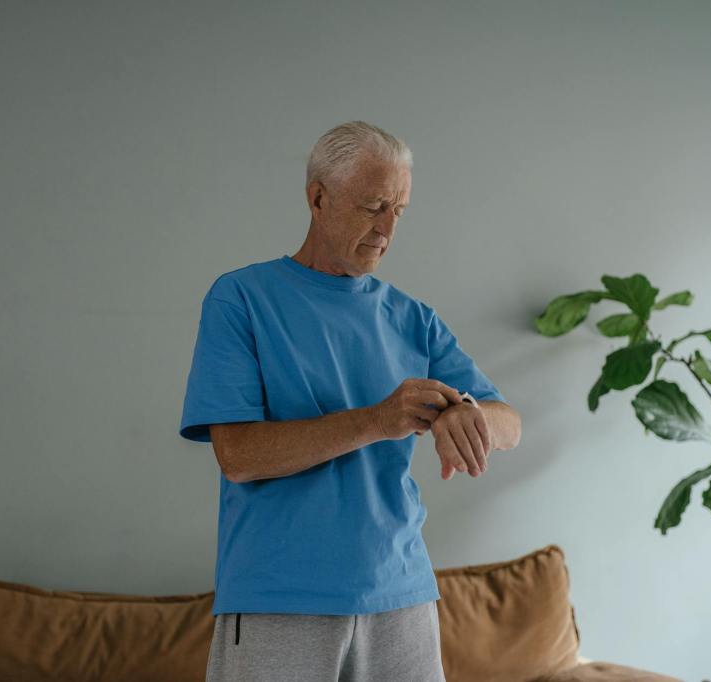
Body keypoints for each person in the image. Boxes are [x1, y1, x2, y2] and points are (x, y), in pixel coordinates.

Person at [179, 120, 522, 682]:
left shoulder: (414, 318)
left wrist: (467, 412)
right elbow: (238, 455)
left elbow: (509, 424)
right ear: (318, 198)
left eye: (400, 210)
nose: (388, 227)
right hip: (279, 598)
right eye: (373, 205)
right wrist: (378, 420)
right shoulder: (241, 298)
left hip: (402, 597)